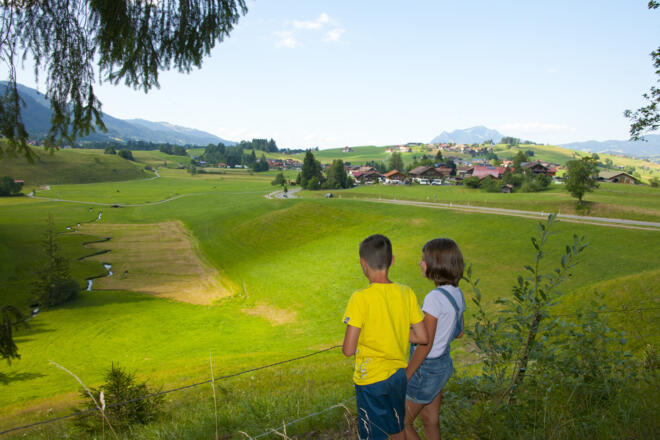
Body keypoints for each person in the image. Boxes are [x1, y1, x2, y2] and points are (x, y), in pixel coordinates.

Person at [343, 234, 428, 440]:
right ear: (392, 260)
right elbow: (422, 336)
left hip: (370, 378)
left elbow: (348, 350)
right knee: (396, 427)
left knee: (374, 435)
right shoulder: (406, 293)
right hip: (398, 377)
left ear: (363, 264)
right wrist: (395, 331)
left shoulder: (360, 298)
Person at [404, 238, 466, 440]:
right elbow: (458, 332)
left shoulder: (434, 298)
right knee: (431, 421)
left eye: (424, 259)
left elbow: (425, 342)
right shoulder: (457, 294)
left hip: (425, 370)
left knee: (397, 422)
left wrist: (407, 373)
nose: (420, 263)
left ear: (437, 264)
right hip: (442, 366)